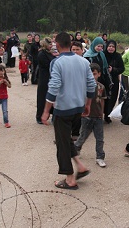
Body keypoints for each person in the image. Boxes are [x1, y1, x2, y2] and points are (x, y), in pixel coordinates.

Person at [41, 32, 96, 190]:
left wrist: (46, 111)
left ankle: (70, 179)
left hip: (63, 109)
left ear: (57, 44)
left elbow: (53, 87)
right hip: (78, 108)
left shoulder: (57, 63)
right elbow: (91, 85)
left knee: (62, 144)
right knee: (66, 139)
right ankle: (80, 166)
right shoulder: (83, 61)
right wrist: (88, 104)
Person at [75, 63, 107, 168]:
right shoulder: (83, 86)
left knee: (100, 138)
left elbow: (102, 101)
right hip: (86, 116)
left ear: (99, 74)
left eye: (95, 74)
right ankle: (76, 149)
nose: (93, 76)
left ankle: (100, 157)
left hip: (98, 117)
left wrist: (101, 113)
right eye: (90, 74)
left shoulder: (101, 87)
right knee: (83, 135)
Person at [103, 39, 124, 124]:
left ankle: (108, 115)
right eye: (109, 46)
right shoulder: (103, 55)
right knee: (104, 98)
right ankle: (103, 113)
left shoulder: (118, 56)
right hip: (104, 80)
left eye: (113, 47)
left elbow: (122, 69)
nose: (111, 48)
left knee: (112, 98)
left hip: (114, 80)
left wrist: (113, 70)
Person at [36, 37, 56, 124]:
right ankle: (39, 117)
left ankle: (51, 114)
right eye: (50, 44)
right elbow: (48, 65)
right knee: (42, 98)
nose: (51, 45)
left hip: (49, 77)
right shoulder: (41, 54)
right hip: (44, 78)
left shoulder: (49, 53)